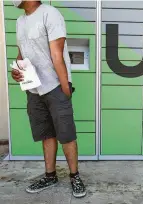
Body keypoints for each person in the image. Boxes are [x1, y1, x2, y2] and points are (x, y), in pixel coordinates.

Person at [11, 0, 86, 198]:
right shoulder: (20, 21)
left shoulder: (50, 14)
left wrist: (65, 88)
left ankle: (75, 176)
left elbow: (57, 53)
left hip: (54, 86)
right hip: (34, 88)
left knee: (66, 134)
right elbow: (22, 53)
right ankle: (50, 175)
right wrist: (17, 71)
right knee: (46, 134)